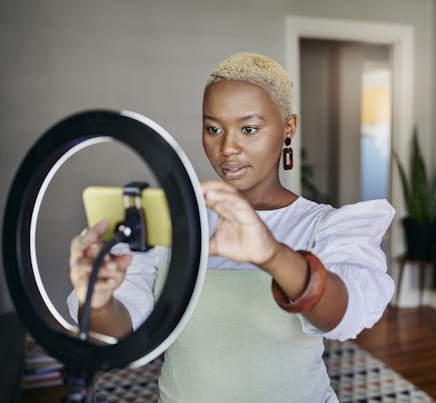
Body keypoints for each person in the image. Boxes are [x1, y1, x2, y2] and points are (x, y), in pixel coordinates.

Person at [68, 52, 395, 402]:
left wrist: (271, 254)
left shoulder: (325, 226)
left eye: (249, 129)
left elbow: (345, 316)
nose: (227, 148)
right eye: (213, 129)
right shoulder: (174, 223)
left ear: (289, 127)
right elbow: (126, 330)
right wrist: (98, 301)